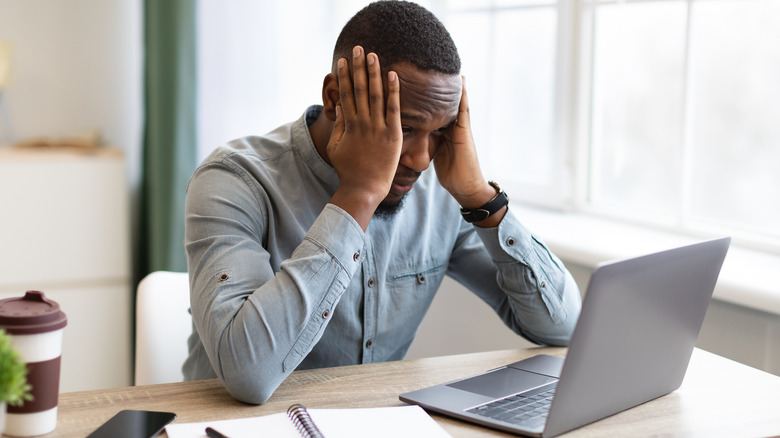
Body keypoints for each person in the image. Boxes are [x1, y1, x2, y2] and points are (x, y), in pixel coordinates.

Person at [182, 0, 581, 404]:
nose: (421, 159)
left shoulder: (441, 192)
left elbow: (563, 328)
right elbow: (247, 374)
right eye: (404, 126)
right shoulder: (234, 179)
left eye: (440, 131)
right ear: (336, 99)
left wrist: (481, 197)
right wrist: (359, 194)